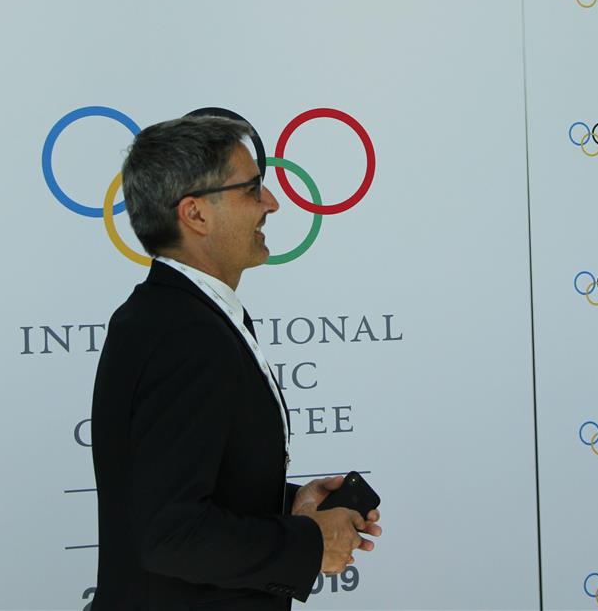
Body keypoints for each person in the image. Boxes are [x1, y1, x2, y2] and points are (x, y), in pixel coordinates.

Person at [90, 112, 380, 610]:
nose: (272, 203)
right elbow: (171, 534)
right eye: (251, 189)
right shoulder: (183, 333)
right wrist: (310, 544)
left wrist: (289, 505)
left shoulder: (175, 318)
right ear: (195, 214)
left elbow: (172, 491)